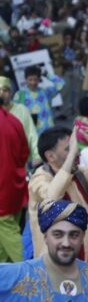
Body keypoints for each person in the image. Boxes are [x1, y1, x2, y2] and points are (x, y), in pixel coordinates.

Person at [27, 126, 88, 256]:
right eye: (69, 149)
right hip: (56, 267)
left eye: (75, 147)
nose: (76, 152)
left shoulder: (78, 173)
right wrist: (72, 155)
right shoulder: (39, 179)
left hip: (87, 259)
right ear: (50, 156)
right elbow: (52, 198)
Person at [0, 89, 29, 263]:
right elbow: (24, 153)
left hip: (2, 192)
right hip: (15, 186)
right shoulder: (13, 121)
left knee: (10, 237)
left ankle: (33, 277)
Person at [14, 65, 63, 135]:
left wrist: (46, 74)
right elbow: (15, 114)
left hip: (49, 131)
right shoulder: (20, 95)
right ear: (25, 79)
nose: (33, 82)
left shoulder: (46, 92)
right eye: (30, 79)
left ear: (39, 79)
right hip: (32, 134)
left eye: (35, 79)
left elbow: (61, 83)